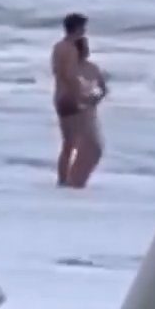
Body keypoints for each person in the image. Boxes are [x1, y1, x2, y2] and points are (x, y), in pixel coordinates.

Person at [51, 13, 88, 186]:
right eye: (83, 28)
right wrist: (81, 95)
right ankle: (64, 179)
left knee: (69, 141)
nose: (84, 31)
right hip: (69, 97)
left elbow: (57, 72)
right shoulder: (71, 49)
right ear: (77, 28)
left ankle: (63, 177)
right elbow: (70, 75)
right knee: (71, 143)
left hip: (58, 95)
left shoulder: (58, 46)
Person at [66, 36, 107, 188]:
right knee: (86, 145)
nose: (86, 51)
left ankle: (79, 179)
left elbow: (103, 89)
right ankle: (73, 180)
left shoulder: (92, 68)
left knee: (95, 147)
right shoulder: (70, 69)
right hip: (76, 112)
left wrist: (96, 98)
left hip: (90, 111)